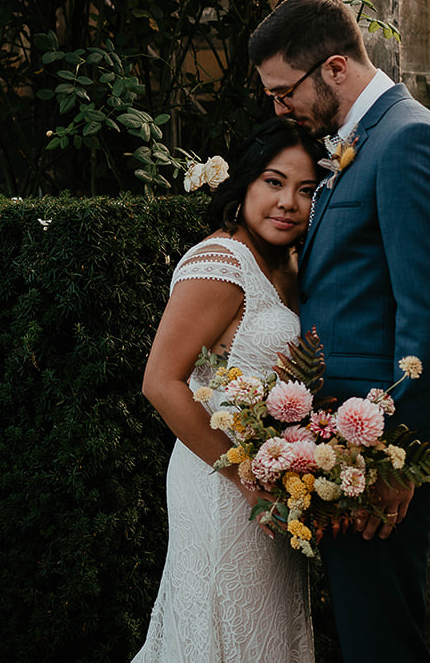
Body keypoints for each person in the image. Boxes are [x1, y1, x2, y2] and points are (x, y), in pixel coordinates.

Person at [248, 0, 430, 663]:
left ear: (336, 69)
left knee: (382, 640)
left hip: (377, 455)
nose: (279, 106)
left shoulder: (409, 141)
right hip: (341, 447)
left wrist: (394, 455)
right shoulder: (356, 145)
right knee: (365, 632)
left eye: (285, 90)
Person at [134, 117, 323, 663]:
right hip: (221, 480)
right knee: (224, 627)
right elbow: (161, 383)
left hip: (272, 479)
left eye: (306, 190)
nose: (288, 201)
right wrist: (243, 477)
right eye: (273, 181)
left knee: (267, 626)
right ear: (242, 185)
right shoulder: (220, 264)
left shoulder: (287, 263)